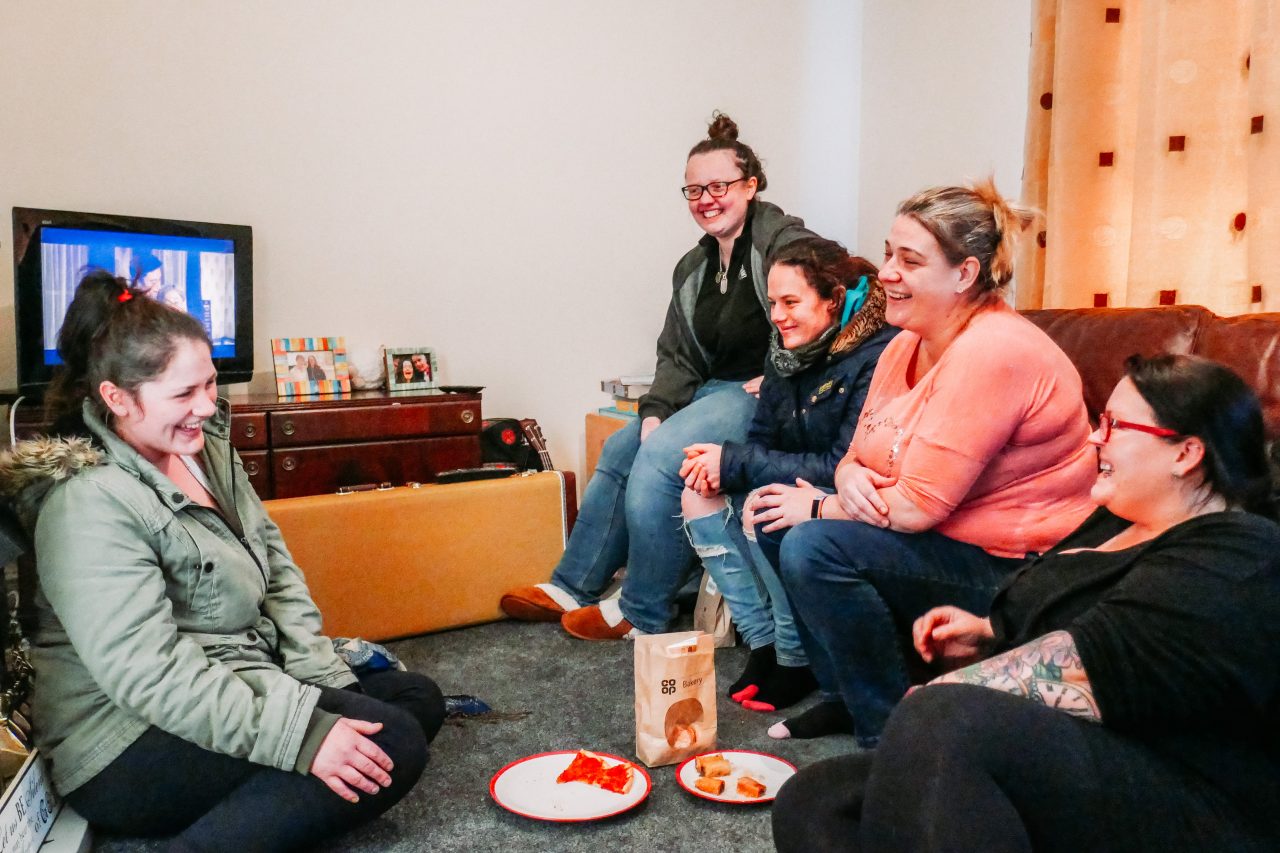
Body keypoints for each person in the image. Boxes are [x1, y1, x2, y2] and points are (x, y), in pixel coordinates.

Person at [0, 270, 445, 851]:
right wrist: (303, 736)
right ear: (117, 398)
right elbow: (151, 676)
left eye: (210, 385)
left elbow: (275, 564)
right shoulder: (86, 502)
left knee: (417, 699)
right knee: (394, 742)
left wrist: (318, 675)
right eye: (183, 395)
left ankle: (263, 792)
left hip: (236, 673)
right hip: (128, 737)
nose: (207, 407)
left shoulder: (204, 450)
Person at [772, 354, 1280, 852]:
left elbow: (1108, 656)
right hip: (1072, 759)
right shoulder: (1118, 516)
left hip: (1186, 791)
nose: (1095, 437)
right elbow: (1055, 604)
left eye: (1115, 426)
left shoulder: (1241, 547)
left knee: (944, 721)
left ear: (1186, 453)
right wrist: (990, 630)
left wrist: (950, 691)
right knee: (816, 800)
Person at [757, 180, 1096, 744]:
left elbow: (915, 507)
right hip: (949, 537)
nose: (886, 271)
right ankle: (844, 696)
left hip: (1016, 566)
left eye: (908, 260)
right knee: (777, 521)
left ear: (964, 274)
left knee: (811, 540)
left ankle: (889, 735)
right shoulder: (906, 341)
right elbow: (857, 454)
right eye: (890, 253)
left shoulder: (993, 350)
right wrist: (844, 479)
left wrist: (822, 504)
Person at [500, 111, 816, 639]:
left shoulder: (785, 244)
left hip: (761, 393)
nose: (706, 199)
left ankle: (641, 611)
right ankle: (572, 584)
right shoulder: (693, 268)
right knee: (625, 446)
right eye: (694, 190)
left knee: (666, 456)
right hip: (711, 391)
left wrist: (784, 369)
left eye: (719, 186)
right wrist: (655, 410)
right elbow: (676, 355)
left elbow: (831, 310)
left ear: (751, 185)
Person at [678, 237, 896, 712]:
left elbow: (844, 463)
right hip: (791, 480)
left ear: (834, 299)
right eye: (773, 302)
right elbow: (760, 441)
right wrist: (720, 467)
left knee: (765, 501)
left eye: (791, 302)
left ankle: (794, 657)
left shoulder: (877, 355)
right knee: (698, 494)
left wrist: (735, 461)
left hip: (842, 496)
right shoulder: (785, 351)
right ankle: (763, 644)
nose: (777, 316)